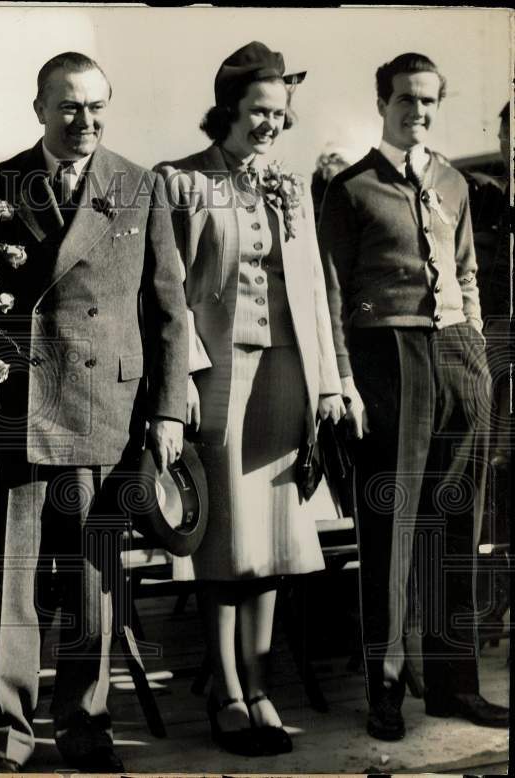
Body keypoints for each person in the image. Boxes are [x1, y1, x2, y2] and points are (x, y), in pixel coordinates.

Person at [0, 51, 189, 773]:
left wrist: (168, 411)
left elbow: (168, 310)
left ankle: (86, 727)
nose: (84, 120)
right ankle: (8, 732)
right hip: (20, 409)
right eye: (68, 106)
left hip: (106, 407)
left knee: (95, 584)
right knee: (13, 587)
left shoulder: (138, 183)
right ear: (38, 109)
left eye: (96, 106)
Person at [156, 41, 346, 757]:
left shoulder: (290, 184)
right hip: (219, 382)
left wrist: (327, 382)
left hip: (287, 378)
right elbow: (167, 294)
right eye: (258, 111)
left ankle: (259, 683)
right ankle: (227, 692)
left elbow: (318, 297)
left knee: (274, 546)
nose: (270, 124)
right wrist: (182, 385)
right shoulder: (182, 181)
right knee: (225, 546)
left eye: (278, 112)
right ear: (229, 108)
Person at [318, 52, 509, 741]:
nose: (418, 111)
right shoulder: (349, 189)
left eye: (429, 101)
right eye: (406, 99)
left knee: (457, 529)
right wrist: (344, 381)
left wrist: (478, 355)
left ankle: (456, 686)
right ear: (383, 102)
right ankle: (386, 690)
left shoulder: (455, 182)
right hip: (385, 361)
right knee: (391, 535)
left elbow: (466, 274)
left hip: (458, 357)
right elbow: (332, 297)